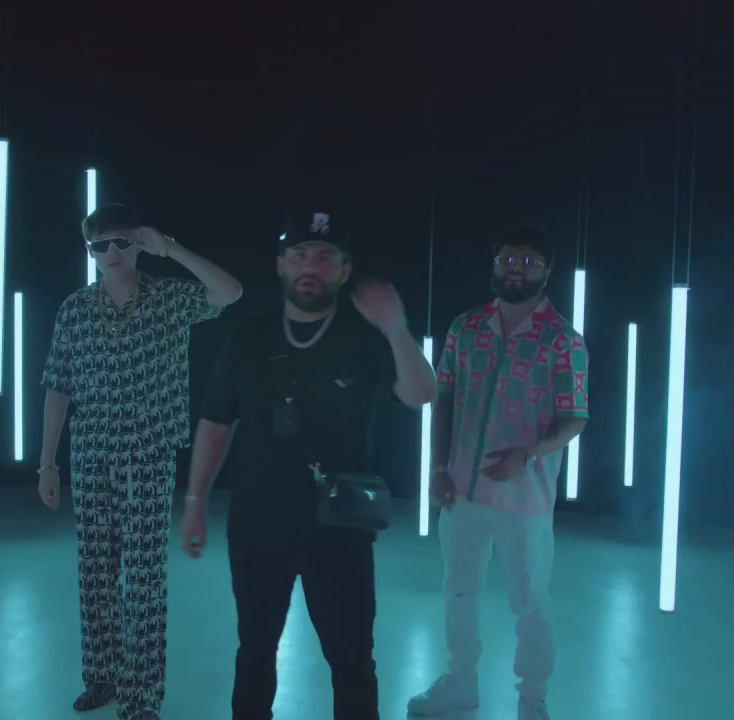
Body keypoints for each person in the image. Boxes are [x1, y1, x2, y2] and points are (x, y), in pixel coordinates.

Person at [180, 209, 438, 720]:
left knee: (352, 660)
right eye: (299, 254)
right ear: (281, 263)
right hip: (258, 523)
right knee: (255, 650)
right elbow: (215, 423)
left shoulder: (365, 335)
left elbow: (421, 393)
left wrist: (396, 328)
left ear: (344, 270)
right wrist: (194, 503)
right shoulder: (249, 335)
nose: (310, 267)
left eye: (325, 257)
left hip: (341, 525)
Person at [38, 203, 243, 720]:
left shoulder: (168, 298)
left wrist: (168, 247)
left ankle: (142, 696)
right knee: (95, 573)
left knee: (145, 579)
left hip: (148, 453)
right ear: (89, 252)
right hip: (91, 452)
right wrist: (47, 463)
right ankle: (102, 677)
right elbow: (58, 386)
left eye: (122, 241)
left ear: (137, 243)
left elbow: (230, 292)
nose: (112, 253)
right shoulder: (75, 309)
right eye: (100, 245)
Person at [406, 227, 589, 720]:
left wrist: (529, 454)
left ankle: (533, 701)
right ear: (494, 264)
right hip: (462, 490)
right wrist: (438, 466)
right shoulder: (465, 328)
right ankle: (460, 682)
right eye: (508, 259)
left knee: (530, 602)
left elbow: (575, 417)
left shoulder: (563, 341)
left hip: (525, 496)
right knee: (458, 590)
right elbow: (443, 399)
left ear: (547, 271)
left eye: (528, 262)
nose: (515, 268)